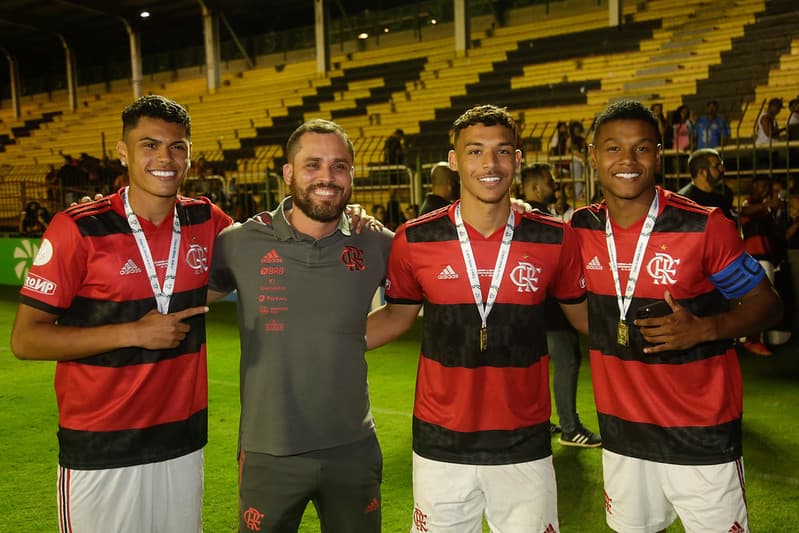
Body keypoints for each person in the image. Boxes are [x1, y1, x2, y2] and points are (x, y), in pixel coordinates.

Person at [9, 95, 233, 532]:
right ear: (122, 151)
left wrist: (347, 216)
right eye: (149, 145)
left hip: (181, 442)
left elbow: (269, 243)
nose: (164, 158)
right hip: (101, 447)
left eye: (177, 147)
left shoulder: (205, 218)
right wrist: (134, 332)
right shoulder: (79, 227)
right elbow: (27, 339)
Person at [366, 105, 588, 532]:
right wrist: (322, 338)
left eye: (503, 151)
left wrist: (683, 330)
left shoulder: (554, 238)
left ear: (518, 160)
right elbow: (395, 318)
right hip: (440, 442)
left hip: (524, 441)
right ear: (454, 162)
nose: (490, 164)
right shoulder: (416, 238)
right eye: (475, 152)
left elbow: (585, 319)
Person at [571, 99, 782, 533]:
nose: (627, 160)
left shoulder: (705, 226)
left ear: (659, 153)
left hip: (701, 432)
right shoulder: (579, 229)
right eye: (613, 148)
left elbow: (769, 305)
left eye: (641, 148)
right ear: (593, 156)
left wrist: (708, 328)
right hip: (623, 434)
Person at [207, 118, 393, 533]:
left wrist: (344, 340)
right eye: (312, 165)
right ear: (288, 173)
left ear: (352, 173)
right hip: (269, 451)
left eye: (339, 166)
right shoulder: (239, 242)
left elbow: (411, 300)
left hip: (353, 449)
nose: (327, 177)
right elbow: (183, 295)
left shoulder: (376, 242)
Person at [521, 163, 601, 448]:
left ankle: (538, 423)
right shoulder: (539, 220)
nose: (555, 184)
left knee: (539, 366)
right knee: (567, 362)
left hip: (533, 310)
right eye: (549, 181)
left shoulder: (521, 218)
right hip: (553, 309)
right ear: (534, 188)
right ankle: (570, 428)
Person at [740, 175, 783, 355]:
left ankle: (756, 338)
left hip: (767, 257)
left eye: (765, 186)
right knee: (759, 299)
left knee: (763, 299)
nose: (762, 189)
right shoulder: (748, 204)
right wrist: (769, 204)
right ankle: (752, 339)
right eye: (760, 185)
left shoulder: (768, 209)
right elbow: (746, 212)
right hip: (754, 256)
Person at [678, 148, 736, 220]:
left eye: (721, 165)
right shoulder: (684, 201)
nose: (722, 169)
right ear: (702, 172)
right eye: (717, 166)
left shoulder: (722, 195)